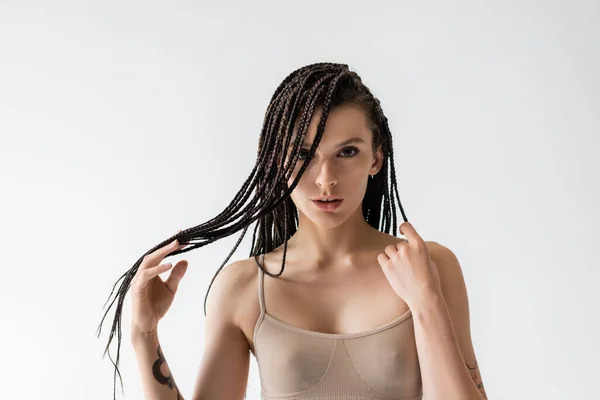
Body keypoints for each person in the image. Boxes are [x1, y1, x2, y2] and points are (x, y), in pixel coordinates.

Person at [97, 62, 488, 400]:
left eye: (347, 152)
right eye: (303, 155)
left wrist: (426, 303)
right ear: (277, 163)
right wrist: (143, 334)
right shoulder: (245, 288)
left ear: (376, 158)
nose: (325, 179)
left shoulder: (430, 266)